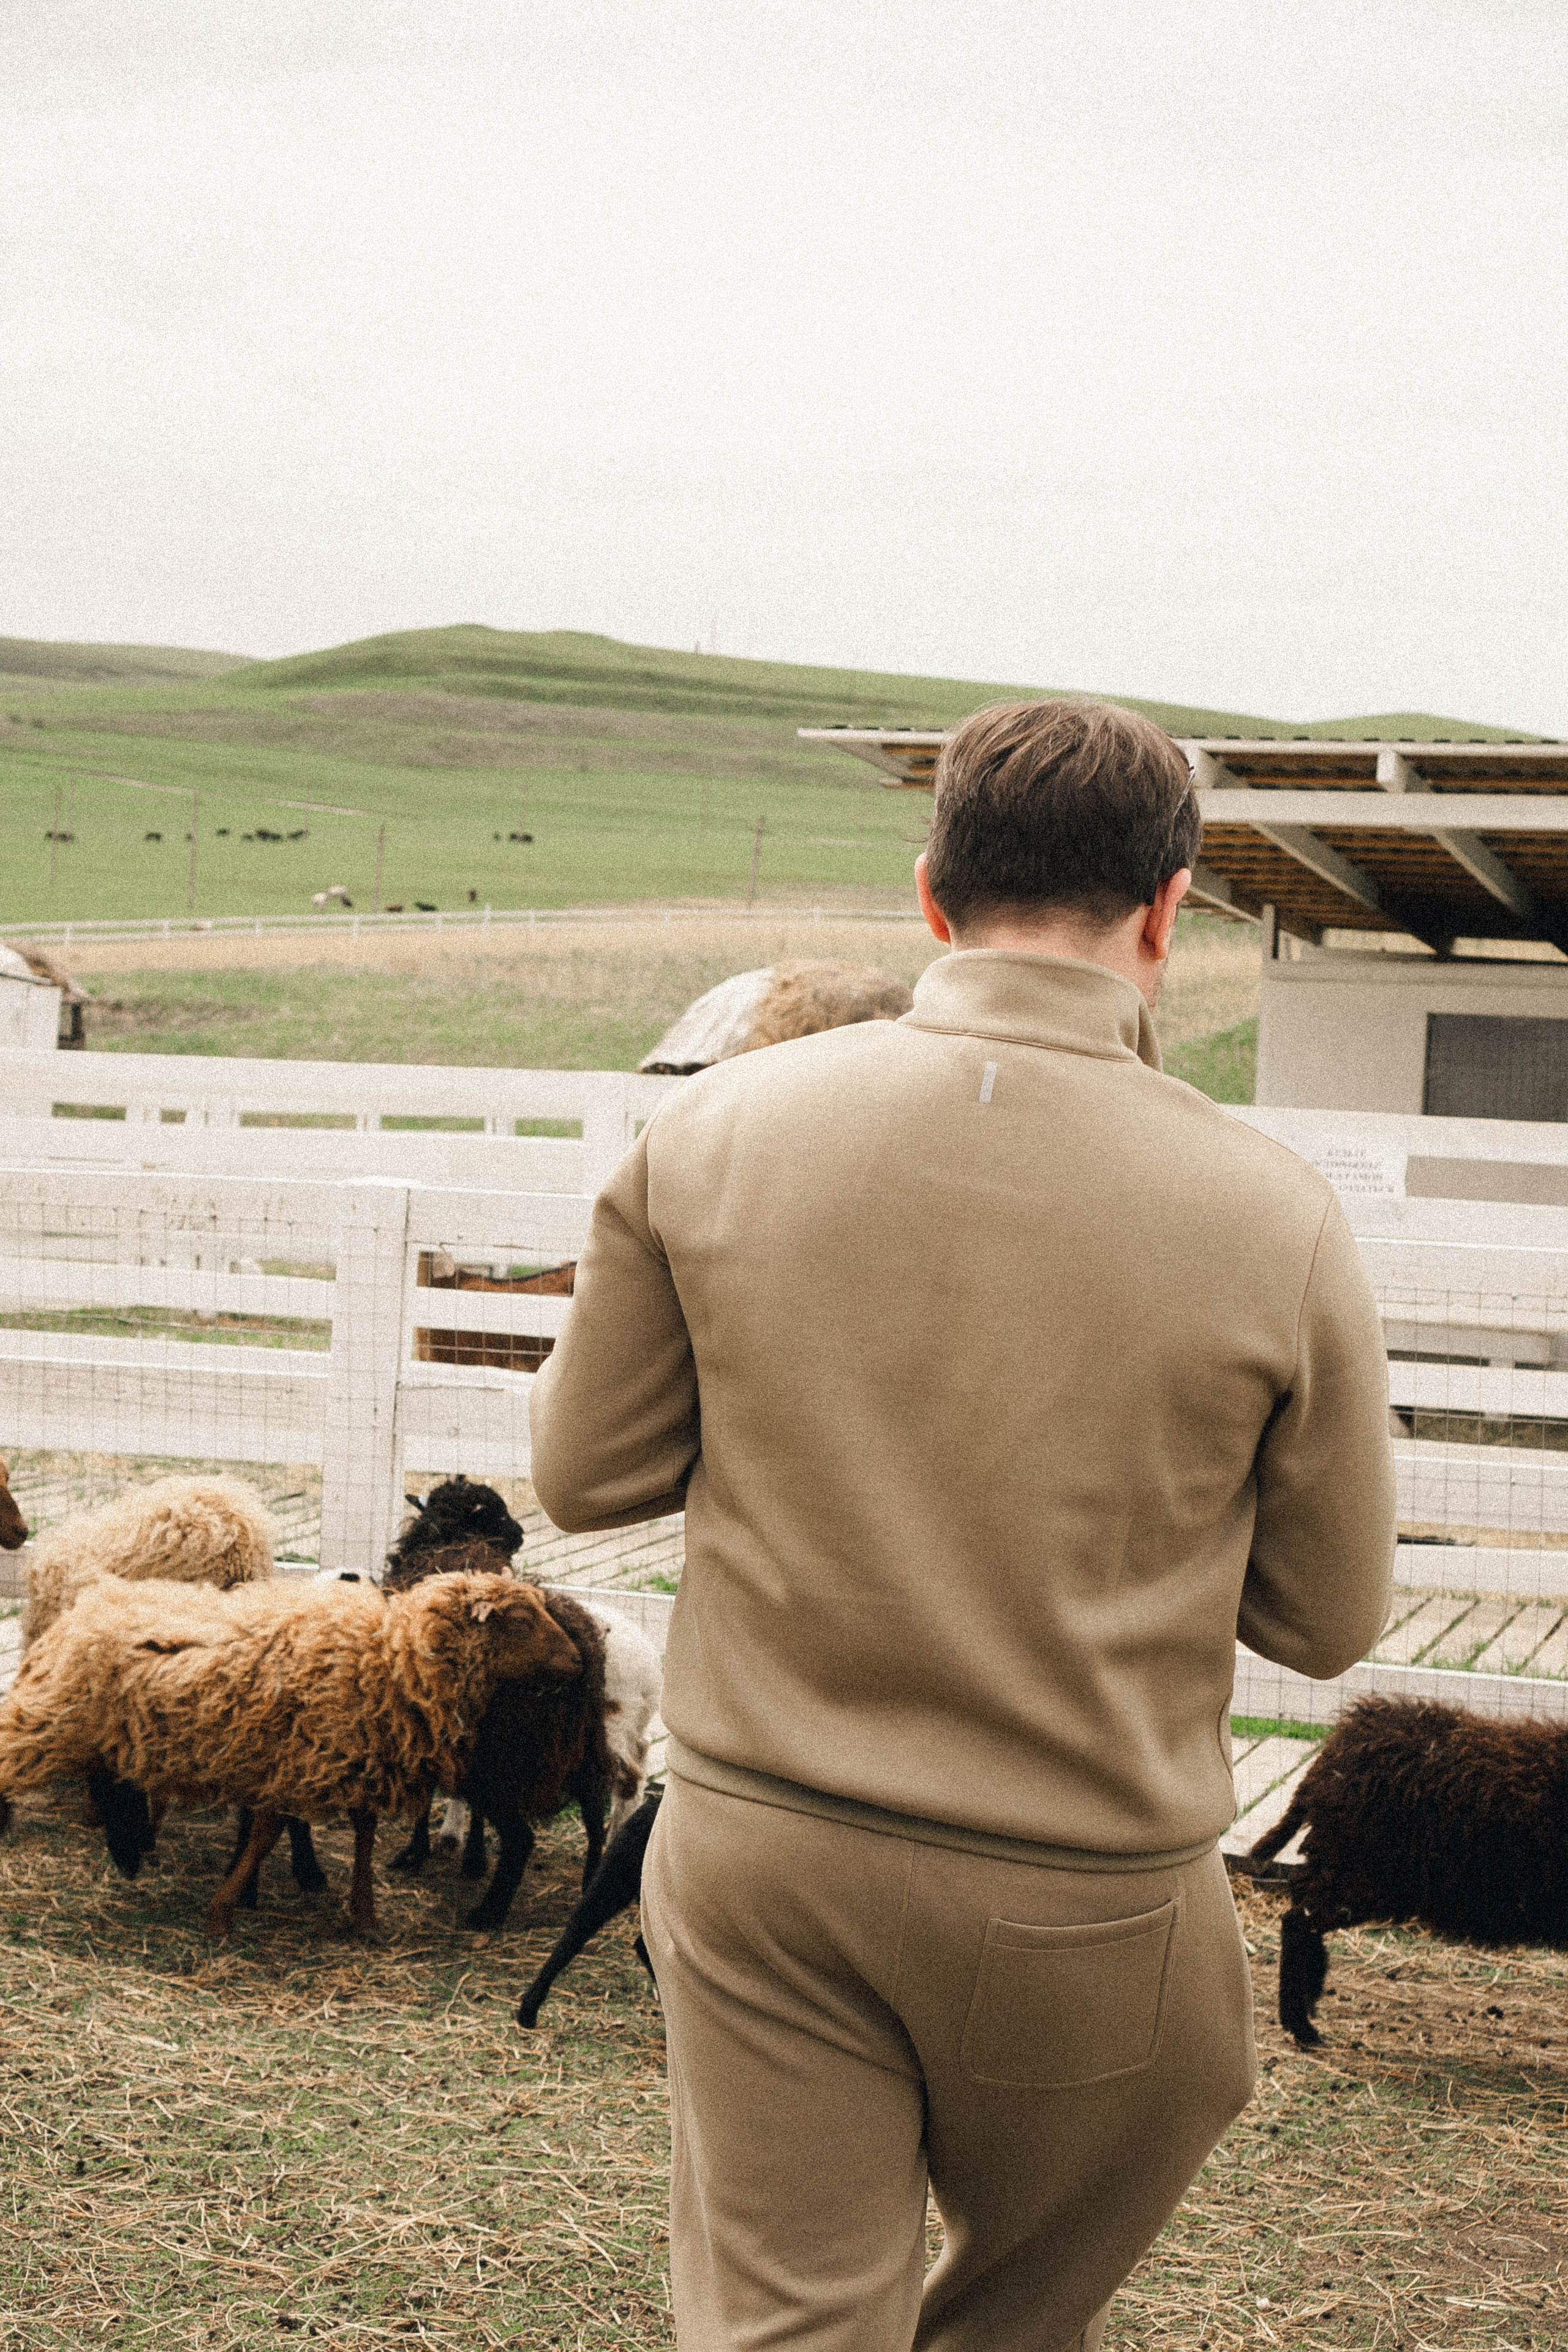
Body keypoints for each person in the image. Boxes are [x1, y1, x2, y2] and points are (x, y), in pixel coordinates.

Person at [529, 696, 1396, 2352]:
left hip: (768, 1854)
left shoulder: (710, 1131)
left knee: (787, 2322)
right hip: (1094, 1898)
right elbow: (1329, 1618)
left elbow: (588, 1475)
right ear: (1169, 908)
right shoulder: (1274, 1213)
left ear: (933, 893)